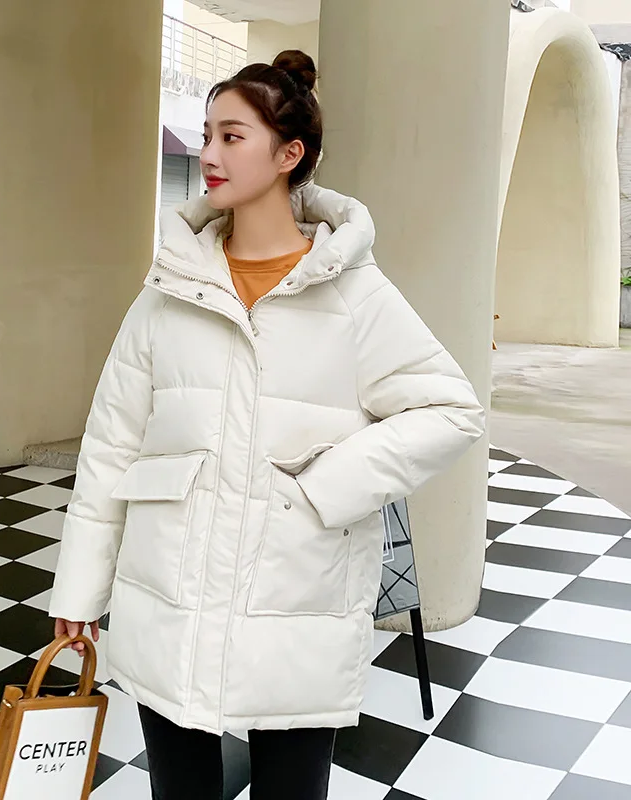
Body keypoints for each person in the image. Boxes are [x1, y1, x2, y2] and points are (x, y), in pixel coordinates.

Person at [50, 50, 485, 800]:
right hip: (170, 600)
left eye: (231, 136)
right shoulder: (169, 289)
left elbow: (451, 410)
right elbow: (111, 444)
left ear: (290, 155)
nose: (208, 155)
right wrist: (79, 591)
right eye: (206, 136)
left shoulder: (354, 293)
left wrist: (327, 486)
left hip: (297, 601)